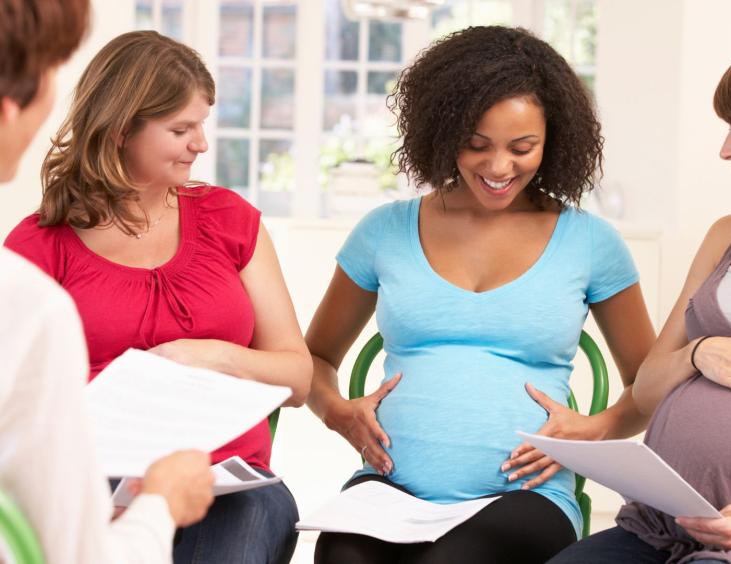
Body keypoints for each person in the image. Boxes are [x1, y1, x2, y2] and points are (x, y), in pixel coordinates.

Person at [306, 25, 656, 564]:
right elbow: (315, 356)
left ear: (554, 139)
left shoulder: (590, 242)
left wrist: (595, 428)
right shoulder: (384, 231)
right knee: (340, 557)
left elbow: (649, 385)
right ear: (443, 134)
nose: (498, 168)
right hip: (388, 491)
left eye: (522, 148)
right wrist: (336, 411)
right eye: (476, 145)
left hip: (524, 498)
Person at [3, 29, 313, 564]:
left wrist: (208, 354)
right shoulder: (37, 247)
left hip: (226, 482)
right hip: (91, 476)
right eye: (180, 128)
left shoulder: (229, 220)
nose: (201, 144)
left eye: (202, 125)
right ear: (122, 130)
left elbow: (299, 379)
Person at [0, 2, 215, 564]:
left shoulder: (226, 217)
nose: (200, 145)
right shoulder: (24, 301)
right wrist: (162, 505)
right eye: (51, 71)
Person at [547, 39, 731, 564]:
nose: (725, 151)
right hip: (654, 527)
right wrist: (698, 353)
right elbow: (645, 389)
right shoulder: (728, 235)